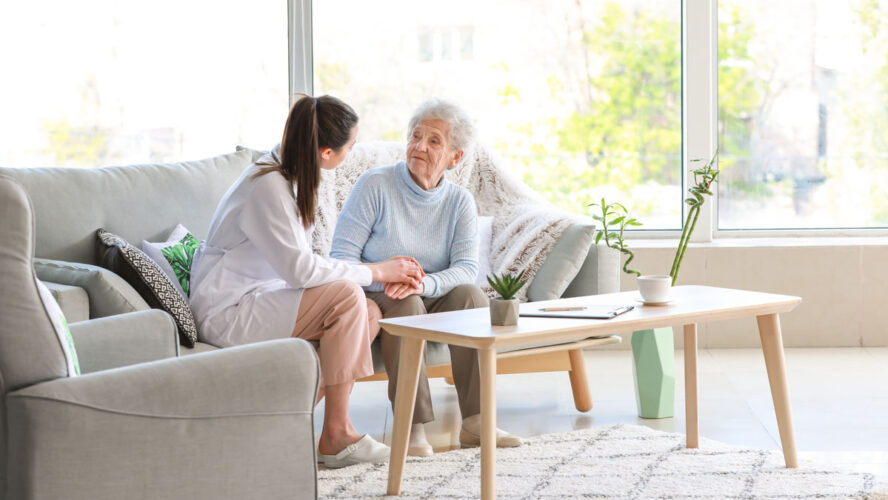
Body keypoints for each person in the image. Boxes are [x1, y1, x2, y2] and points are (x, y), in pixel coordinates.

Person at [189, 95, 424, 469]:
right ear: (327, 153)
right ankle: (336, 435)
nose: (352, 152)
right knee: (349, 297)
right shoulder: (267, 187)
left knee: (368, 312)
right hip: (228, 313)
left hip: (257, 299)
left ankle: (281, 423)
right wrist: (377, 271)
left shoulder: (285, 177)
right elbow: (301, 271)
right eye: (351, 146)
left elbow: (301, 267)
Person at [330, 97, 523, 457]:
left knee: (471, 297)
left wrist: (425, 283)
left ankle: (477, 420)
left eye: (434, 141)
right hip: (376, 291)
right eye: (415, 136)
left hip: (428, 290)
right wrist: (388, 279)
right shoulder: (375, 185)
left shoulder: (459, 201)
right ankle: (412, 426)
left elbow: (466, 268)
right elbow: (341, 260)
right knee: (406, 301)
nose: (419, 146)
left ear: (455, 157)